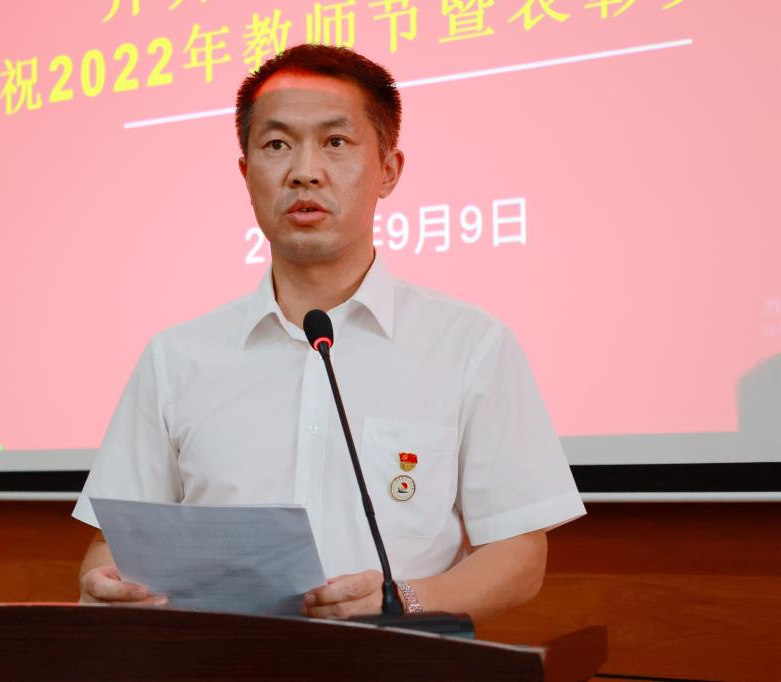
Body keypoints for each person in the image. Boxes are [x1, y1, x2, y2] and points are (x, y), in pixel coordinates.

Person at [73, 44, 584, 621]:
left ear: (389, 170)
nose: (304, 171)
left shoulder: (469, 345)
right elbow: (113, 543)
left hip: (391, 659)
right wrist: (104, 583)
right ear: (246, 174)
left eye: (336, 142)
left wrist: (403, 601)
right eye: (276, 145)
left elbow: (519, 555)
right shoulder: (176, 357)